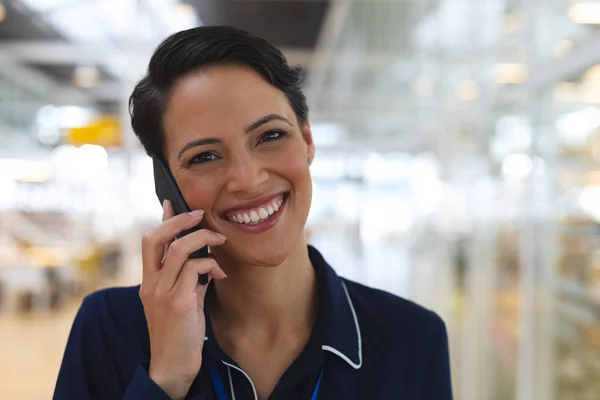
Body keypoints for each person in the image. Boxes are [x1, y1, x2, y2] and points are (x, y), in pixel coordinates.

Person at [53, 26, 452, 400]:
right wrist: (166, 380)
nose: (247, 179)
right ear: (166, 183)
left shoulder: (411, 339)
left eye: (270, 136)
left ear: (307, 140)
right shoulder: (110, 328)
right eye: (205, 156)